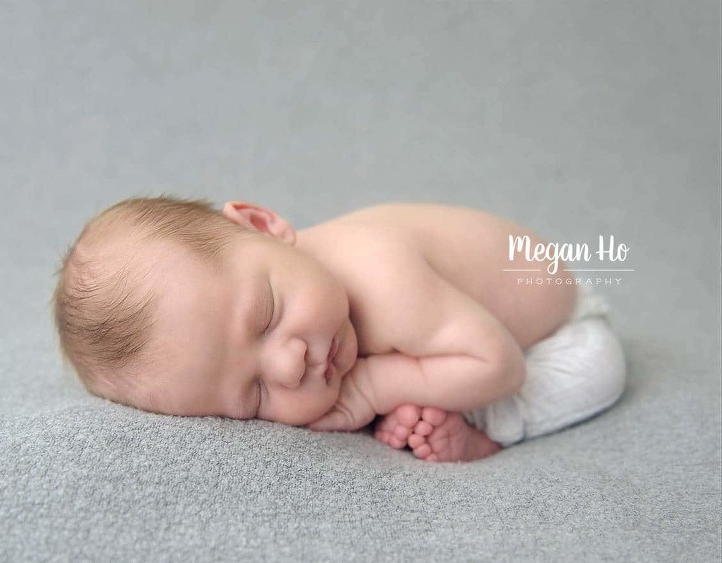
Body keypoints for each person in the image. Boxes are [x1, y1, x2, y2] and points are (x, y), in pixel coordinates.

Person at [53, 197, 626, 462]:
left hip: (550, 327)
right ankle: (445, 403)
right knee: (427, 384)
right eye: (255, 396)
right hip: (462, 338)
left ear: (265, 226)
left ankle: (496, 429)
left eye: (267, 316)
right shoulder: (315, 318)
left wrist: (372, 389)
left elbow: (502, 366)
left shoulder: (384, 279)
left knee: (601, 370)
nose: (288, 365)